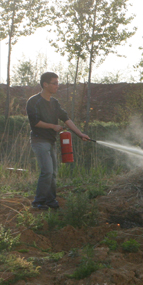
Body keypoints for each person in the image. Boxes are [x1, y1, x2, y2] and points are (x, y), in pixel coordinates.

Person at [26, 72, 90, 210]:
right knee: (47, 171)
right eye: (54, 83)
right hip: (39, 141)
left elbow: (66, 118)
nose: (57, 85)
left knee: (53, 173)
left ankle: (50, 201)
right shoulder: (33, 101)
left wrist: (80, 134)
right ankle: (38, 203)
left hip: (51, 141)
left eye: (57, 83)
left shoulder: (54, 103)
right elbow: (35, 122)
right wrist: (53, 126)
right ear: (45, 84)